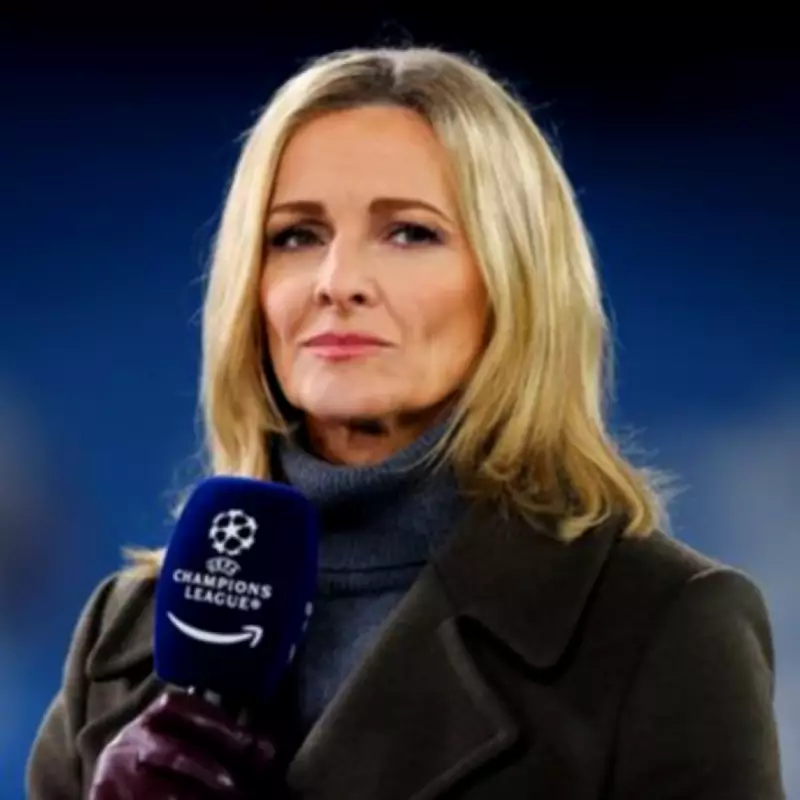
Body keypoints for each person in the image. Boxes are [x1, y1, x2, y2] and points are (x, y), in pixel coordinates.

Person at [27, 46, 785, 799]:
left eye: (410, 233)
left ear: (516, 279)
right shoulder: (123, 635)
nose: (338, 282)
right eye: (296, 236)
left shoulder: (663, 624)